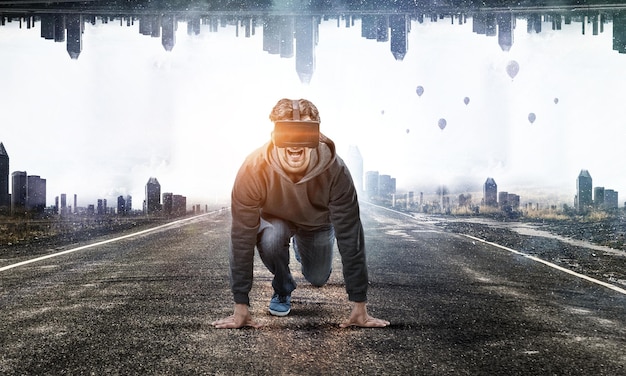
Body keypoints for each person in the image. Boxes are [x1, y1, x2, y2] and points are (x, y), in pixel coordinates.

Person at [212, 98, 389, 329]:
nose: (295, 144)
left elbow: (351, 235)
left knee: (317, 277)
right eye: (286, 131)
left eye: (304, 132)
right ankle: (283, 288)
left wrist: (360, 306)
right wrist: (240, 306)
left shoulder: (337, 171)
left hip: (317, 225)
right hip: (276, 223)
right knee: (272, 237)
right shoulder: (253, 169)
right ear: (274, 135)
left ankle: (301, 247)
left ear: (317, 134)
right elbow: (241, 236)